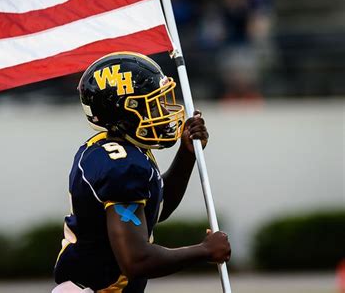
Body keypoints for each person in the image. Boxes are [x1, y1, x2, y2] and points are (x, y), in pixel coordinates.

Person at [53, 52, 231, 292]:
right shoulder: (122, 167)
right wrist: (205, 250)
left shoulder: (108, 149)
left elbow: (155, 209)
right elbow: (136, 260)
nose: (162, 112)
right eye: (153, 104)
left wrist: (186, 154)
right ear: (125, 111)